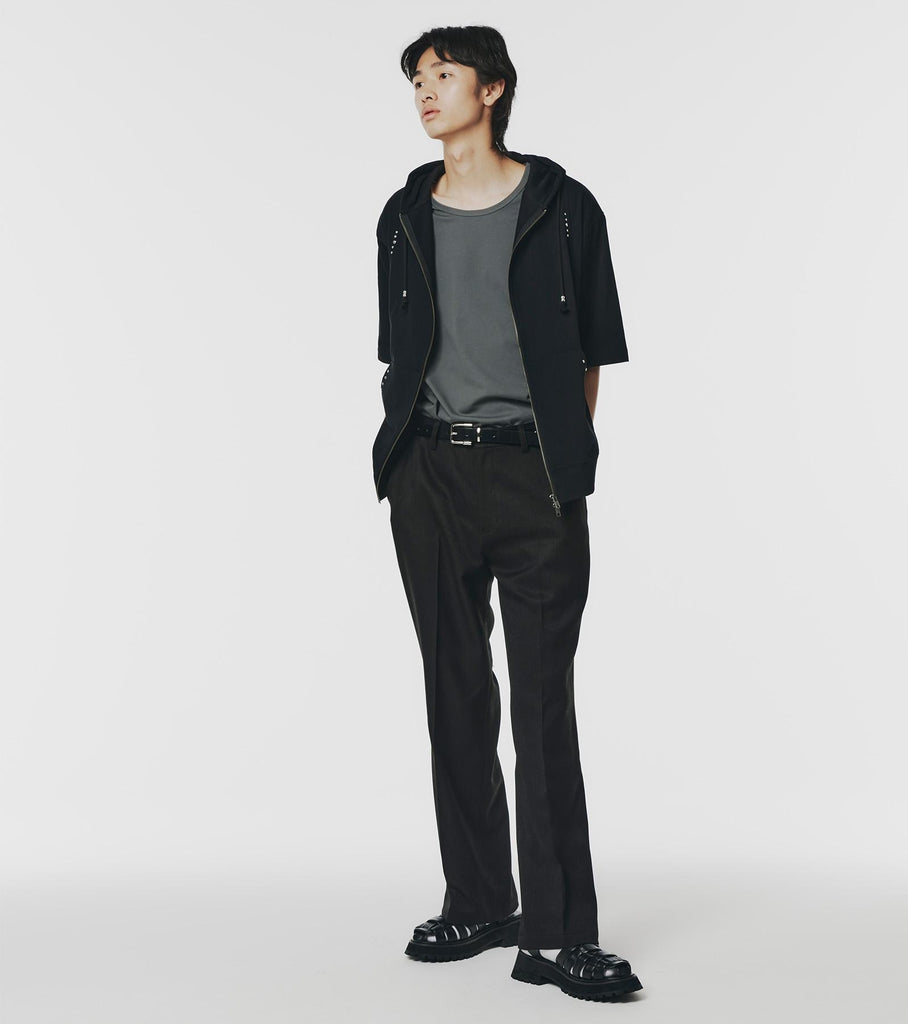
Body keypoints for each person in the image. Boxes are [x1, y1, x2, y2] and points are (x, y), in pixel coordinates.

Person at [372, 25, 642, 1002]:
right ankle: (482, 899)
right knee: (453, 694)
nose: (424, 90)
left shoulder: (565, 209)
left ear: (491, 89)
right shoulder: (403, 214)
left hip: (533, 480)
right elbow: (400, 352)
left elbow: (593, 352)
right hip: (429, 476)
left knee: (541, 706)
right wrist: (409, 461)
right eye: (416, 77)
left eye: (442, 74)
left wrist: (555, 455)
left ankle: (559, 936)